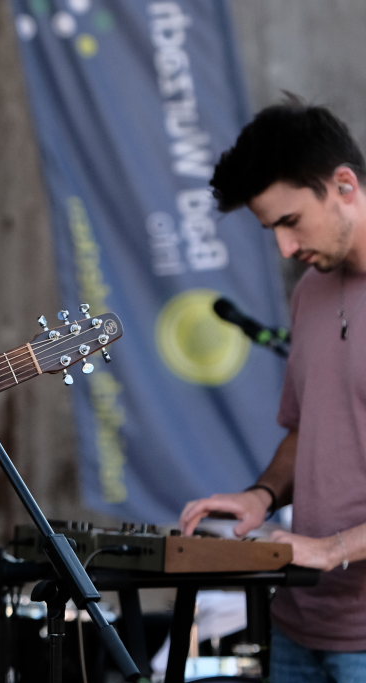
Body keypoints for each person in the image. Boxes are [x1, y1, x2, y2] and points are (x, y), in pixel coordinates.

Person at [179, 96, 366, 682]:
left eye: (291, 221)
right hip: (299, 625)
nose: (285, 248)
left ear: (343, 186)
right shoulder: (310, 291)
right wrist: (261, 495)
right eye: (272, 230)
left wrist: (333, 549)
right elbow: (311, 425)